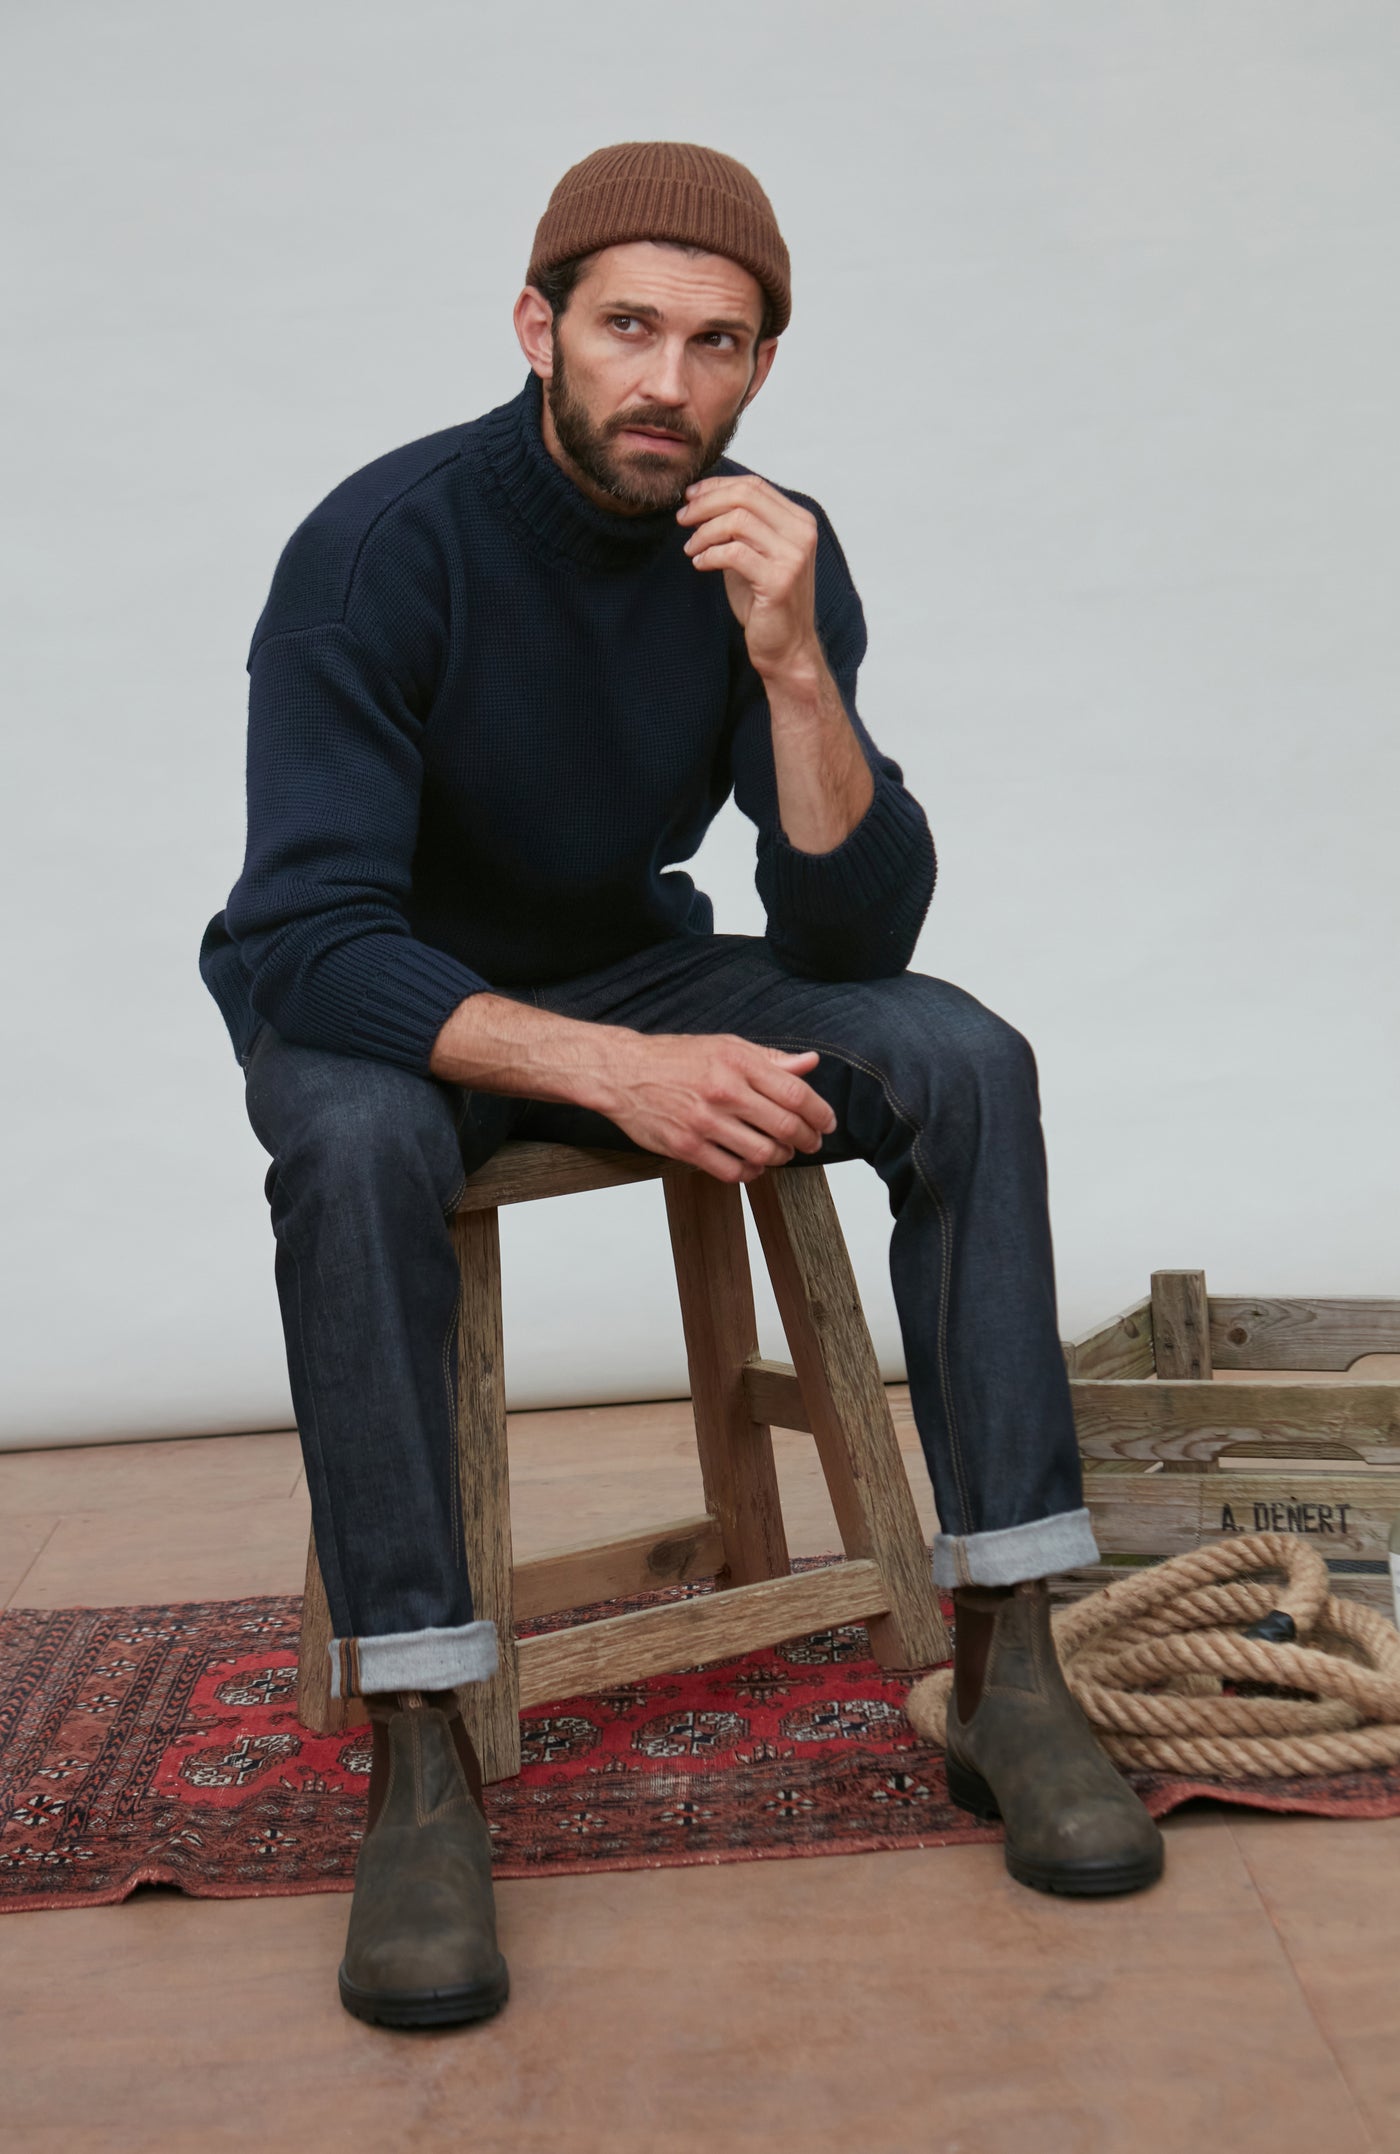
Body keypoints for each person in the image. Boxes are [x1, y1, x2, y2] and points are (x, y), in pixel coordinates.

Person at [200, 139, 1163, 2030]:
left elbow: (850, 937)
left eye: (717, 344)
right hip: (389, 988)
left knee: (966, 1057)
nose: (669, 381)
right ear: (538, 325)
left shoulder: (763, 542)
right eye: (628, 327)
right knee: (354, 1141)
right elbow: (299, 933)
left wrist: (800, 669)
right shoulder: (381, 548)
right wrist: (613, 1067)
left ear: (761, 369)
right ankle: (420, 1745)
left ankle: (1011, 1660)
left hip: (628, 944)